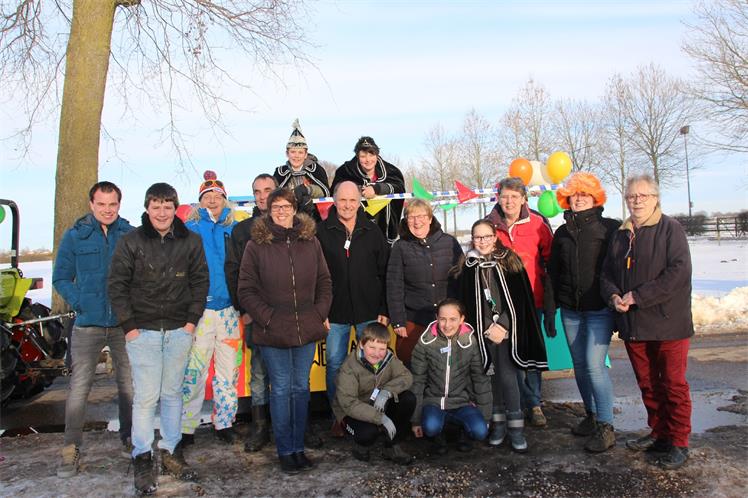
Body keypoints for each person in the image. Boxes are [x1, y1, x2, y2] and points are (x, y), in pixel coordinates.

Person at [108, 183, 209, 495]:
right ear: (147, 209)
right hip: (143, 332)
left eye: (167, 206)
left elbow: (200, 281)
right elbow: (117, 285)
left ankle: (170, 451)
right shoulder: (131, 241)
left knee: (172, 394)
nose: (162, 213)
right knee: (146, 397)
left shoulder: (190, 241)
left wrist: (191, 322)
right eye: (156, 207)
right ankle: (142, 456)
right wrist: (130, 327)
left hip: (179, 330)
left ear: (175, 208)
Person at [600, 174, 694, 470]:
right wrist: (614, 296)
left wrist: (638, 296)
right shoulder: (621, 234)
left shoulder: (670, 229)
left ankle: (679, 441)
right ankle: (660, 433)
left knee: (673, 384)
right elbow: (607, 274)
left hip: (668, 323)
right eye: (631, 196)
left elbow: (678, 273)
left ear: (655, 198)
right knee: (648, 383)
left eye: (643, 195)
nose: (637, 201)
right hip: (634, 324)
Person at [238, 189, 332, 474]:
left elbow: (325, 282)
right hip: (273, 330)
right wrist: (267, 318)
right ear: (269, 210)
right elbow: (246, 289)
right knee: (280, 389)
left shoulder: (311, 241)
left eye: (286, 205)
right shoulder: (256, 245)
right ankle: (285, 450)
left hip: (306, 327)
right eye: (276, 206)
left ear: (294, 208)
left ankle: (298, 447)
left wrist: (319, 313)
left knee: (300, 388)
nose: (281, 211)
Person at [53, 181, 134, 478]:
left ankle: (130, 439)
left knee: (128, 385)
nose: (107, 210)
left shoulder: (130, 234)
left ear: (119, 205)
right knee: (79, 388)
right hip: (88, 324)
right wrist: (80, 302)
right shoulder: (76, 236)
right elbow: (61, 277)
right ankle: (70, 447)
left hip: (123, 324)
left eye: (112, 204)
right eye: (101, 204)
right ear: (91, 204)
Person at [455, 219, 548, 453]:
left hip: (508, 334)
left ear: (495, 237)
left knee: (509, 379)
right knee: (490, 380)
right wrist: (487, 327)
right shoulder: (468, 266)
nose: (483, 241)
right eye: (478, 237)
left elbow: (520, 299)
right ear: (472, 240)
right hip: (483, 333)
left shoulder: (509, 261)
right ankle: (498, 425)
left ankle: (516, 429)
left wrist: (503, 326)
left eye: (487, 236)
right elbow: (467, 303)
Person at [549, 172, 620, 453]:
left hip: (600, 309)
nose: (578, 199)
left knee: (594, 365)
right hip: (571, 311)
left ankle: (606, 425)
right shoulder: (562, 233)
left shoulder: (609, 228)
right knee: (579, 365)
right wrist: (551, 309)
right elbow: (553, 273)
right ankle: (591, 415)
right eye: (573, 195)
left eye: (584, 194)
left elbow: (619, 269)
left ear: (595, 197)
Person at [316, 181, 390, 435]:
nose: (347, 205)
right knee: (335, 365)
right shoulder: (321, 232)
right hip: (334, 312)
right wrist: (321, 310)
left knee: (372, 364)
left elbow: (385, 272)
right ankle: (339, 417)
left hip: (368, 311)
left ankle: (369, 414)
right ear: (334, 201)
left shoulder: (372, 230)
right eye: (342, 200)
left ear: (359, 202)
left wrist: (384, 308)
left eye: (352, 200)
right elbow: (314, 275)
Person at [486, 177, 555, 427]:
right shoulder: (489, 225)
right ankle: (516, 401)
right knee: (508, 356)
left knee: (531, 354)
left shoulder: (537, 223)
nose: (509, 201)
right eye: (505, 196)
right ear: (498, 198)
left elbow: (551, 261)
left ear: (524, 199)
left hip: (532, 301)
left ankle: (534, 404)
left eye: (514, 197)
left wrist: (550, 303)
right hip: (502, 303)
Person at [180, 171, 241, 445]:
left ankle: (224, 422)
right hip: (200, 310)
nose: (213, 200)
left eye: (217, 196)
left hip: (229, 310)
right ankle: (186, 426)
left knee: (228, 372)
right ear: (200, 201)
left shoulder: (234, 228)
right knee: (195, 370)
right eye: (207, 196)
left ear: (225, 200)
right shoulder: (190, 229)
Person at [225, 173, 276, 453]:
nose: (262, 196)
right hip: (256, 314)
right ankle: (260, 426)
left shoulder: (289, 225)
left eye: (268, 190)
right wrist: (243, 308)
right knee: (258, 373)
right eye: (257, 191)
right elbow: (233, 271)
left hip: (286, 314)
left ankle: (296, 425)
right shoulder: (242, 231)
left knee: (290, 374)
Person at [387, 199, 463, 366]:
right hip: (414, 320)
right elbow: (394, 286)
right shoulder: (400, 247)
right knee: (413, 365)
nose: (417, 221)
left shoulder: (449, 242)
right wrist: (398, 320)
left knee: (447, 368)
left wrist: (461, 314)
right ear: (406, 221)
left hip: (447, 321)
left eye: (421, 216)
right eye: (411, 217)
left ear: (430, 218)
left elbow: (461, 280)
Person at [410, 298, 491, 455]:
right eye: (443, 319)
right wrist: (415, 420)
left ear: (462, 319)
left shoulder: (471, 342)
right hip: (434, 401)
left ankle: (462, 433)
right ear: (436, 318)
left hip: (462, 402)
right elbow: (417, 381)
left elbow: (480, 379)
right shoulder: (425, 342)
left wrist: (485, 418)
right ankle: (438, 436)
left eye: (453, 319)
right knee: (431, 427)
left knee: (480, 431)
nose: (447, 325)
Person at [332, 322, 415, 465]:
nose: (377, 354)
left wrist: (386, 392)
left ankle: (392, 445)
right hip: (352, 411)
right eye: (372, 347)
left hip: (378, 404)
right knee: (367, 433)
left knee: (408, 399)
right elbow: (349, 404)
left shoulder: (388, 359)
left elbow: (406, 377)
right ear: (362, 344)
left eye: (382, 349)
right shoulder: (349, 367)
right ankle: (361, 446)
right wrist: (381, 418)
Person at [331, 136, 405, 244]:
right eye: (363, 156)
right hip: (356, 226)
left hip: (383, 223)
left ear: (377, 155)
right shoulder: (346, 171)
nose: (368, 160)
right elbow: (336, 190)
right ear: (357, 156)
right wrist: (358, 190)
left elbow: (399, 187)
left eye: (371, 155)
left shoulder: (391, 171)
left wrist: (377, 189)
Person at [273, 119, 330, 218]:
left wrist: (308, 189)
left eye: (300, 152)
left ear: (305, 154)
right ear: (287, 154)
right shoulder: (280, 172)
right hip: (288, 216)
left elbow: (325, 192)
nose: (296, 156)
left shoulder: (316, 169)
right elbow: (274, 195)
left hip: (314, 216)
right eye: (293, 152)